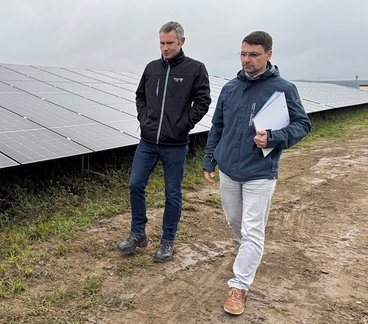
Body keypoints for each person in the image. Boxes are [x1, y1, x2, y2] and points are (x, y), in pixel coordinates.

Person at [203, 31, 311, 315]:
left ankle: (239, 285)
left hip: (261, 171)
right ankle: (249, 252)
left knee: (252, 229)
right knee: (235, 221)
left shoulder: (283, 89)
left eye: (253, 55)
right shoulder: (229, 88)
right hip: (229, 168)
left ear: (269, 55)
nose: (246, 60)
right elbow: (217, 127)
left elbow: (302, 125)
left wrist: (274, 137)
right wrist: (209, 160)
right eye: (243, 54)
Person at [117, 21, 211, 262]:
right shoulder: (151, 68)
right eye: (162, 43)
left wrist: (182, 126)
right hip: (147, 142)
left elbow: (202, 102)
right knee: (136, 184)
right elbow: (140, 96)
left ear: (181, 41)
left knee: (172, 194)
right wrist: (144, 118)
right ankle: (138, 233)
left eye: (170, 43)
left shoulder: (195, 69)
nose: (165, 48)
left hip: (175, 145)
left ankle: (167, 240)